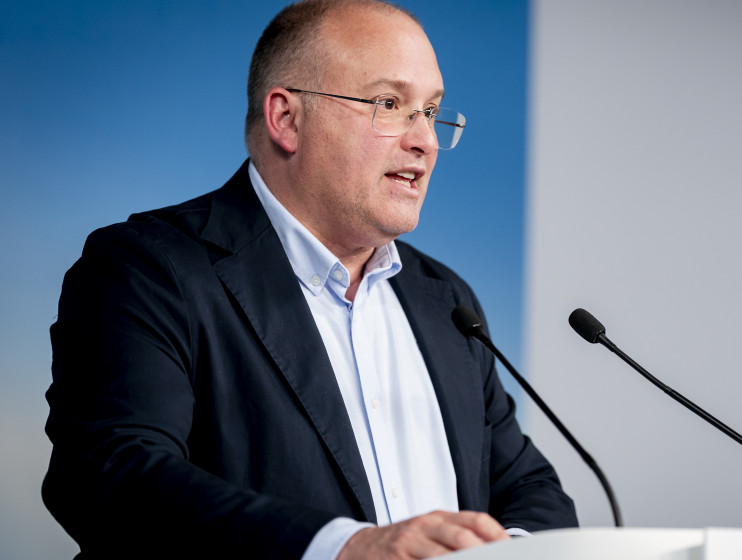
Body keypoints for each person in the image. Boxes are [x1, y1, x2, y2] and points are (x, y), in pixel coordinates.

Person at [42, 1, 578, 558]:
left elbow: (528, 487)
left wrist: (511, 552)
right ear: (287, 119)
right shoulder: (150, 269)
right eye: (390, 104)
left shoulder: (445, 299)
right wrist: (343, 549)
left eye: (432, 111)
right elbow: (113, 478)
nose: (425, 141)